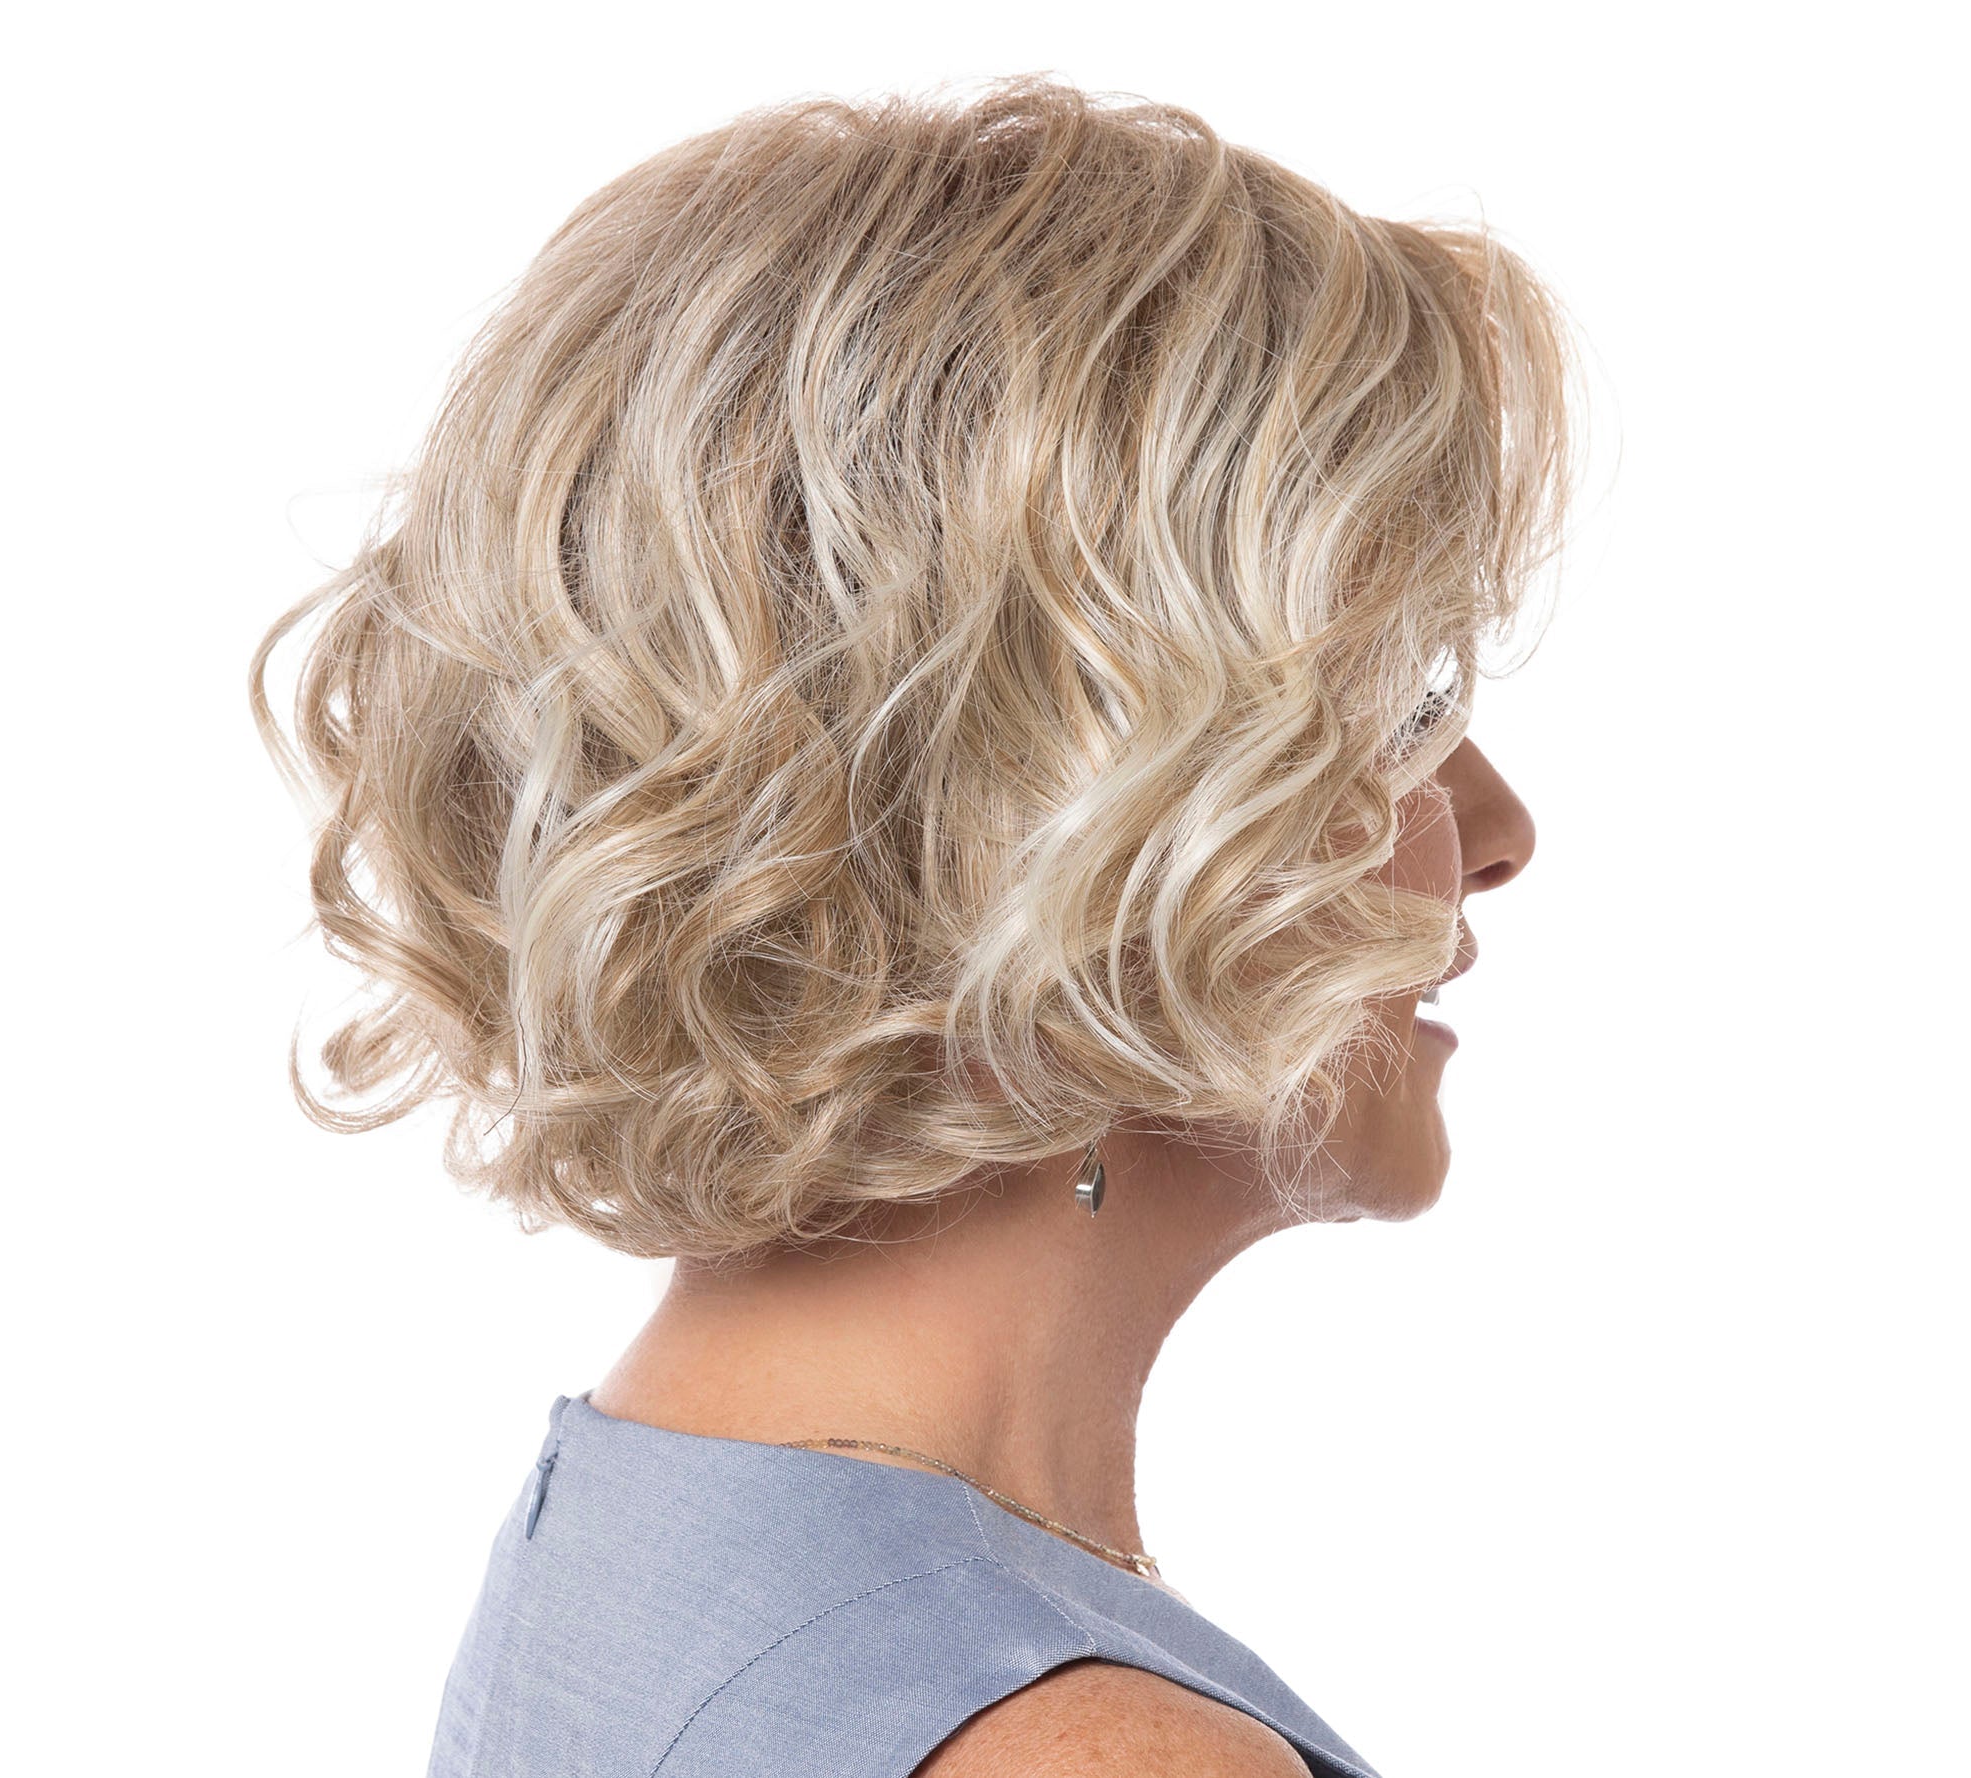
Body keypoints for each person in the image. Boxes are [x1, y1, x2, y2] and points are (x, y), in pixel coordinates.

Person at [252, 74, 1575, 1778]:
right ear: (1073, 814)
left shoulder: (654, 1514)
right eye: (1403, 705)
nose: (1499, 827)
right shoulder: (1070, 1745)